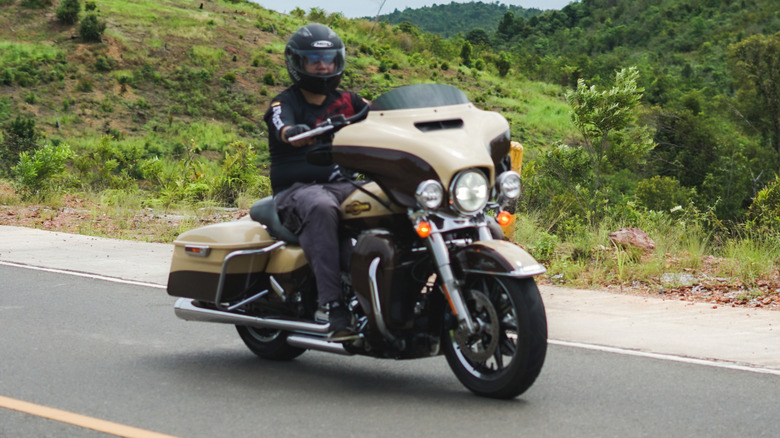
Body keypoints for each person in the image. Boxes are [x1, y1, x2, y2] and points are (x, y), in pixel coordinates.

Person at [263, 23, 368, 340]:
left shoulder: (349, 101)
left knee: (388, 199)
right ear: (298, 63)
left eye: (329, 59)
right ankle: (332, 306)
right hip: (297, 192)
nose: (323, 66)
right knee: (321, 206)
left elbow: (382, 116)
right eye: (314, 60)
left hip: (343, 185)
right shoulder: (285, 103)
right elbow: (281, 123)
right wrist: (291, 133)